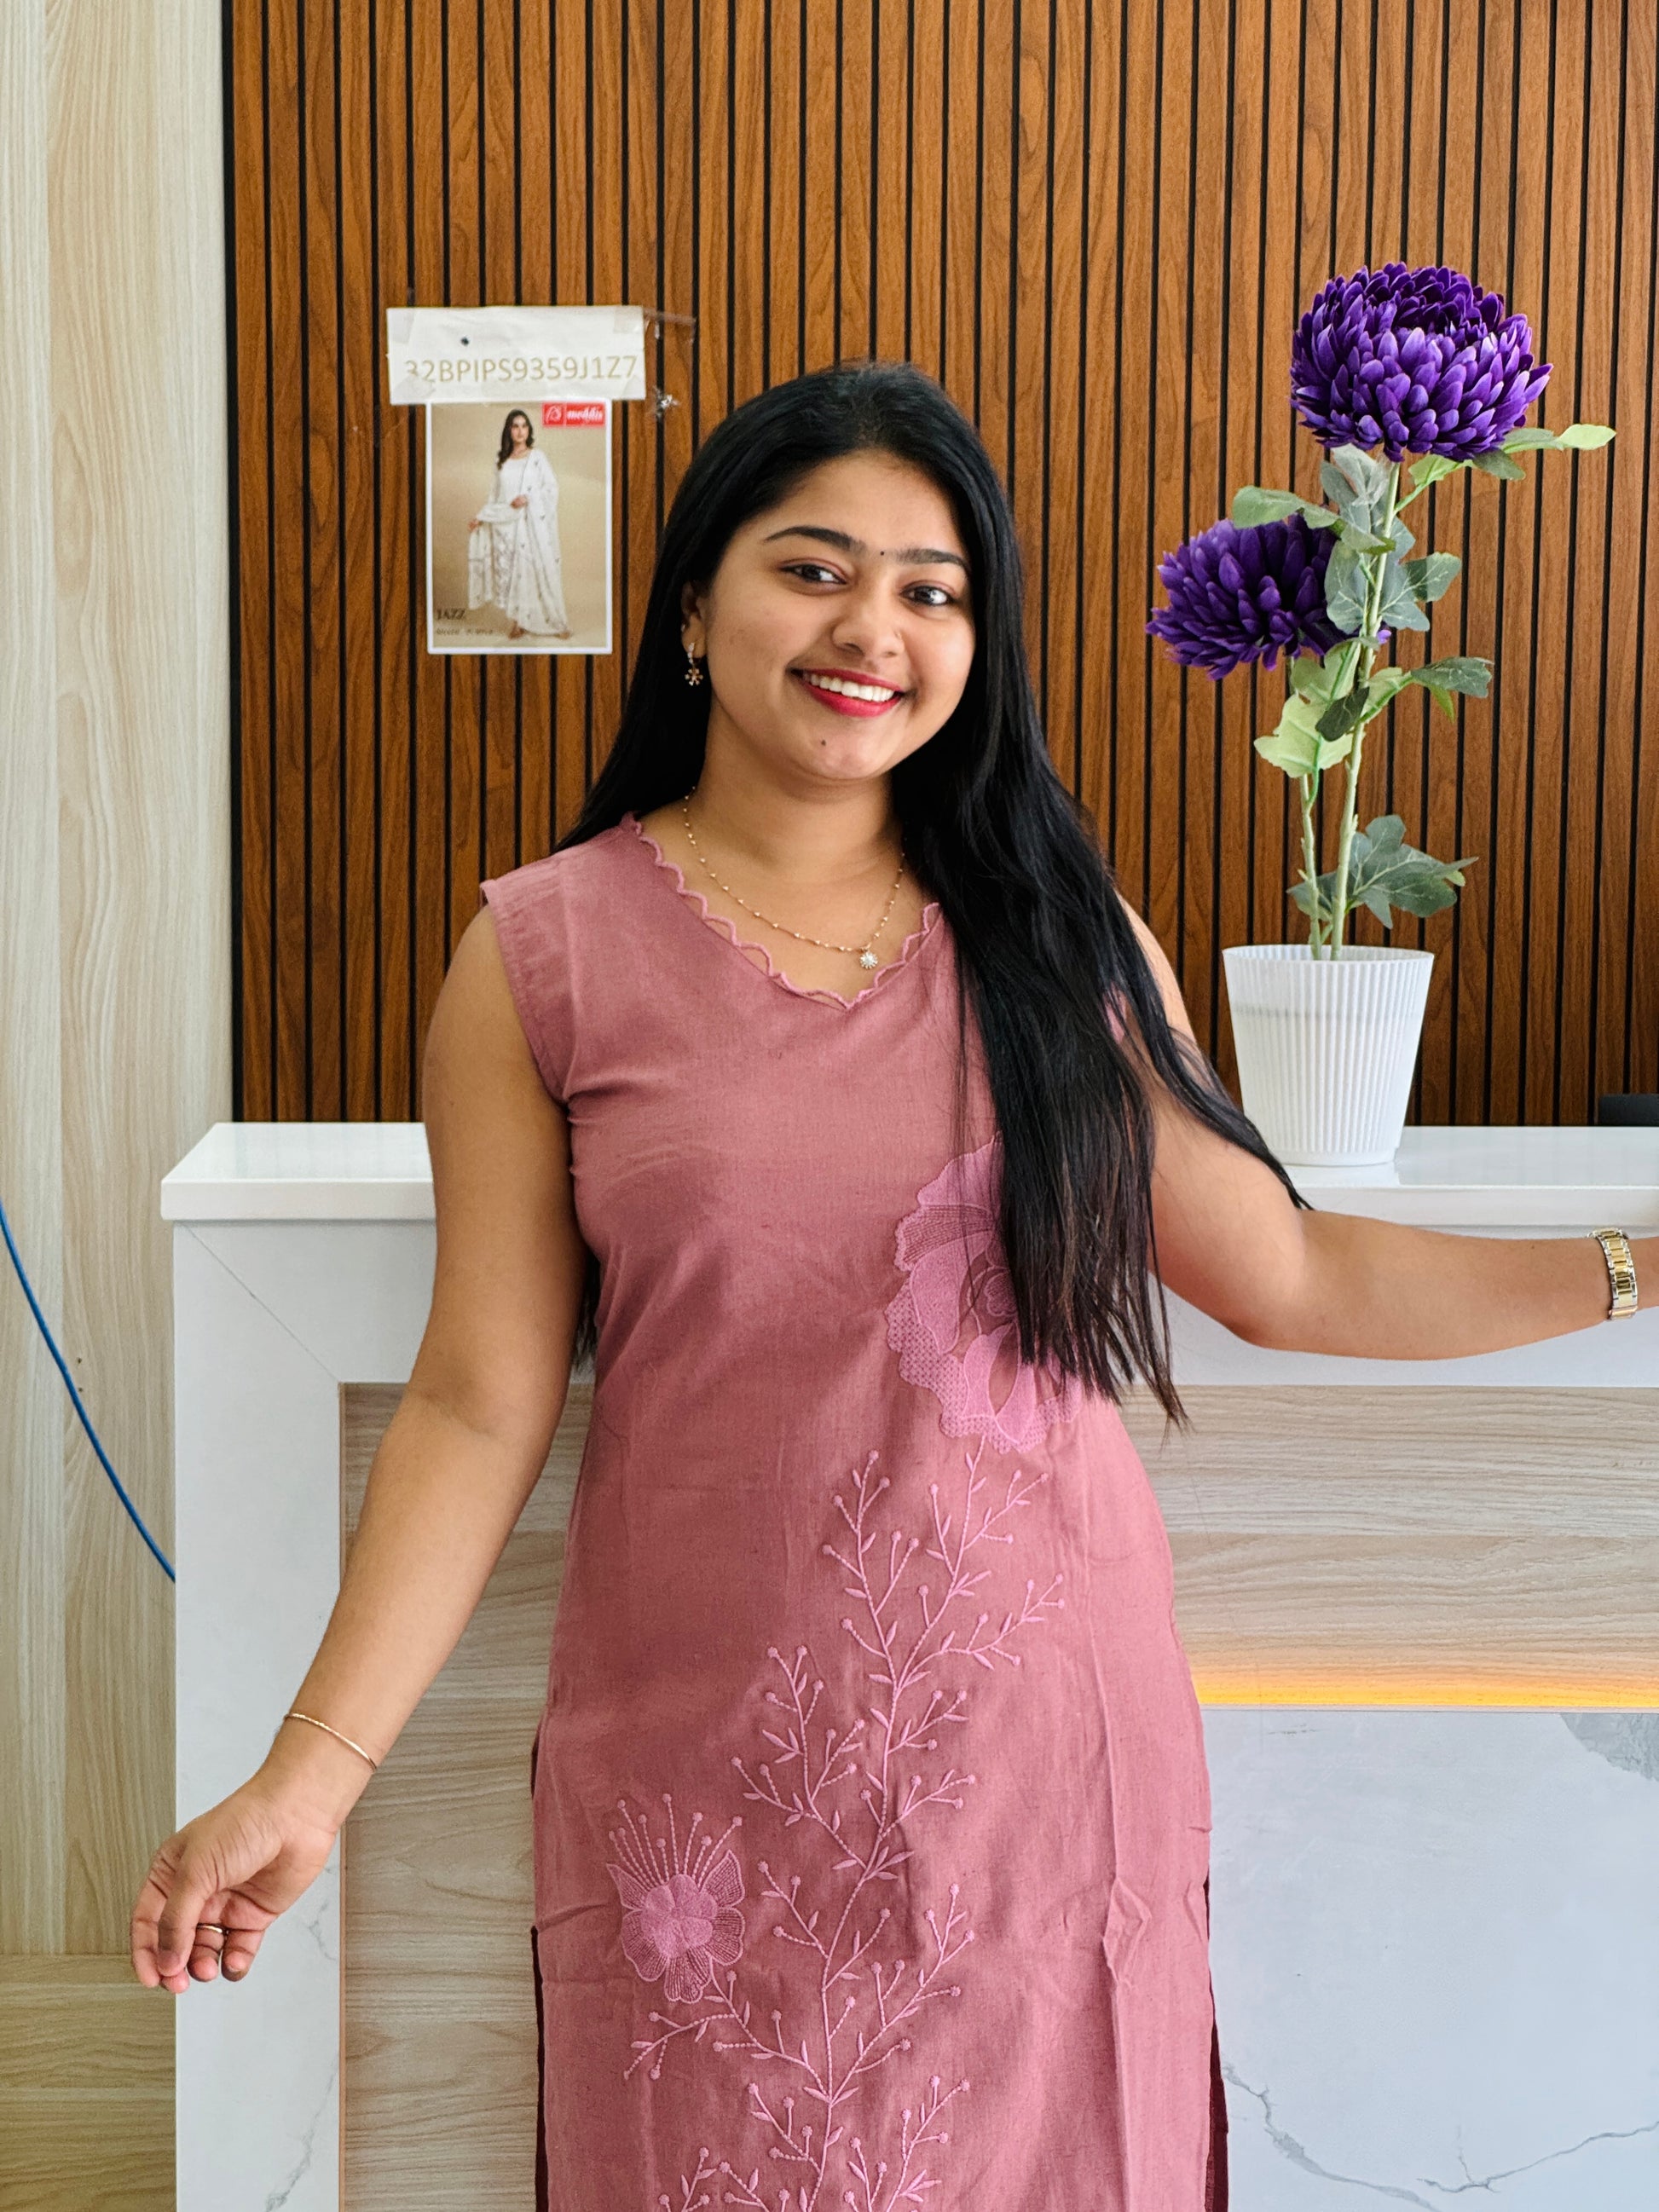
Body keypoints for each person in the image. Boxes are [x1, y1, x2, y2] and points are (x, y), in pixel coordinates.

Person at [131, 360, 1647, 2209]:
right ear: (696, 610)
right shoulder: (543, 957)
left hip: (1040, 1779)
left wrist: (1635, 1265)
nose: (875, 630)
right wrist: (308, 1775)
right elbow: (476, 1396)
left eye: (933, 591)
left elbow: (1289, 1272)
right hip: (704, 1780)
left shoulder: (1059, 943)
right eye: (814, 569)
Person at [467, 406, 572, 639]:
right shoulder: (501, 460)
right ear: (509, 430)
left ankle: (554, 621)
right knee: (512, 573)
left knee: (531, 570)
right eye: (515, 426)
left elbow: (551, 488)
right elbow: (494, 495)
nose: (520, 431)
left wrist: (528, 498)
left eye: (524, 426)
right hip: (505, 526)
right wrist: (481, 517)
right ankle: (517, 622)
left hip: (528, 523)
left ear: (529, 430)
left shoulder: (537, 458)